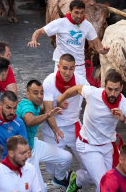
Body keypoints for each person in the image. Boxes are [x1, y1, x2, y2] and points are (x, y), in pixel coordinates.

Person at [56, 70, 126, 192]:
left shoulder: (124, 103)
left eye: (116, 89)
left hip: (106, 147)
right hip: (87, 146)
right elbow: (77, 88)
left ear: (121, 88)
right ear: (104, 86)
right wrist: (60, 99)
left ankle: (78, 178)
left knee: (102, 177)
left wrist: (124, 119)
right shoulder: (93, 93)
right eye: (109, 89)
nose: (112, 93)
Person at [28, 0, 110, 79]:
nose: (79, 16)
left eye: (82, 13)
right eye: (76, 12)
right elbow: (39, 32)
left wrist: (102, 50)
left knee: (80, 92)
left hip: (79, 67)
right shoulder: (60, 23)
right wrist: (34, 40)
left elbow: (96, 43)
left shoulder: (87, 25)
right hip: (62, 67)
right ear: (70, 11)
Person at [17, 80, 73, 191]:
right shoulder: (26, 106)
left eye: (42, 93)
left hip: (35, 144)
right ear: (27, 94)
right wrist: (48, 115)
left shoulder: (36, 106)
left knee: (67, 157)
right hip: (26, 154)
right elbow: (29, 120)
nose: (40, 96)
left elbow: (41, 111)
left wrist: (55, 106)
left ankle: (59, 178)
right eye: (35, 92)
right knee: (41, 190)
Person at [41, 54, 89, 182]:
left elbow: (93, 98)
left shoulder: (81, 81)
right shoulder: (49, 82)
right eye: (65, 68)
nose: (68, 72)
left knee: (87, 161)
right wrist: (56, 130)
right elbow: (48, 110)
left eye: (71, 68)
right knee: (53, 169)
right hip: (54, 128)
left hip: (74, 126)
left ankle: (78, 180)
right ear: (58, 67)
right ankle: (62, 180)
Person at [0, 91, 27, 159]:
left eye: (14, 108)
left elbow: (24, 148)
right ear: (0, 105)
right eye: (8, 108)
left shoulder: (19, 124)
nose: (12, 112)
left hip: (11, 163)